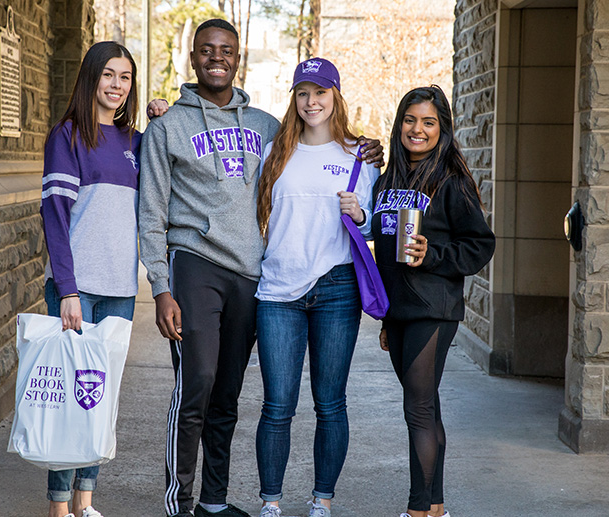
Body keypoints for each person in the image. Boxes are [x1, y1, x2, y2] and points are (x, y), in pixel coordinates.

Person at [139, 19, 384, 517]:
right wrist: (160, 286)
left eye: (225, 50)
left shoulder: (267, 129)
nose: (216, 57)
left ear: (238, 57)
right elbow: (150, 211)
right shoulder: (173, 128)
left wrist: (368, 152)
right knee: (200, 382)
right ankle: (180, 504)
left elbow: (340, 173)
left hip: (257, 274)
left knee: (229, 393)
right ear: (193, 56)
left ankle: (213, 501)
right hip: (203, 264)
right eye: (206, 49)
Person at [253, 58, 379, 517]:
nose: (312, 102)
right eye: (303, 93)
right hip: (278, 292)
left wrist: (360, 215)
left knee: (330, 403)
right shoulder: (274, 154)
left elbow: (372, 225)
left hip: (337, 288)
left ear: (336, 96)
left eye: (320, 92)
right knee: (277, 405)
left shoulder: (359, 157)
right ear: (294, 98)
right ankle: (271, 502)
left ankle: (321, 499)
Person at [371, 85, 495, 517]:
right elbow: (384, 254)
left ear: (441, 129)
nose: (417, 129)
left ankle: (417, 510)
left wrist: (434, 254)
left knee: (417, 409)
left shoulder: (451, 181)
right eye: (410, 120)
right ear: (399, 124)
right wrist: (385, 317)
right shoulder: (387, 180)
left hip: (433, 308)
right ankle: (436, 505)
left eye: (428, 122)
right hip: (399, 311)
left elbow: (480, 245)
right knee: (427, 406)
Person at [40, 41, 141, 517]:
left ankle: (86, 503)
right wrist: (68, 290)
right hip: (77, 290)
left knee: (98, 402)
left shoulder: (137, 143)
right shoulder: (67, 137)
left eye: (125, 77)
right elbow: (55, 215)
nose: (117, 86)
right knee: (67, 399)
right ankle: (60, 506)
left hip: (122, 289)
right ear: (90, 78)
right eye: (108, 75)